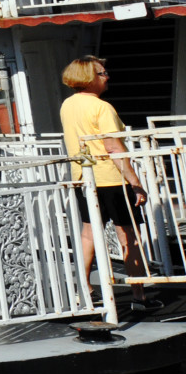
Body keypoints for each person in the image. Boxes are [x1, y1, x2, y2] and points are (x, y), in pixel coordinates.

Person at [60, 55, 158, 314]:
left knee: (87, 235)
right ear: (89, 78)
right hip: (111, 178)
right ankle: (139, 295)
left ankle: (85, 292)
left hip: (85, 177)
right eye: (102, 73)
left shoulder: (68, 105)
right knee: (129, 237)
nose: (107, 76)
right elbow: (113, 147)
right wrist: (136, 182)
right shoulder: (102, 107)